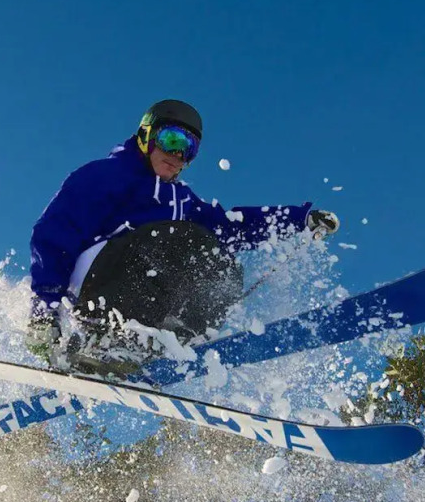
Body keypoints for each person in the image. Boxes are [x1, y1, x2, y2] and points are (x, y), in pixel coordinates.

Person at [27, 99, 339, 370]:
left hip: (141, 292)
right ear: (147, 135)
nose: (178, 155)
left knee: (217, 260)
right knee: (177, 239)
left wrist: (300, 220)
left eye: (188, 149)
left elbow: (234, 227)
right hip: (96, 287)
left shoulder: (182, 200)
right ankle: (107, 339)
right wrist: (45, 311)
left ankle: (154, 345)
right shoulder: (105, 176)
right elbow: (54, 235)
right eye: (172, 140)